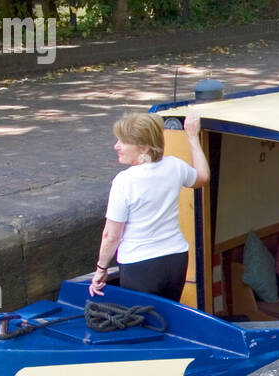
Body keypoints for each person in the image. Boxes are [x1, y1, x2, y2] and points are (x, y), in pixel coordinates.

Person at [89, 112, 210, 301]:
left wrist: (101, 269)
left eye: (123, 141)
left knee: (144, 323)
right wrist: (192, 138)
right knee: (168, 320)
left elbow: (111, 236)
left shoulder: (124, 181)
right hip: (176, 259)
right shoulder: (175, 167)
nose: (116, 146)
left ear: (144, 148)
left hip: (139, 265)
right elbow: (202, 177)